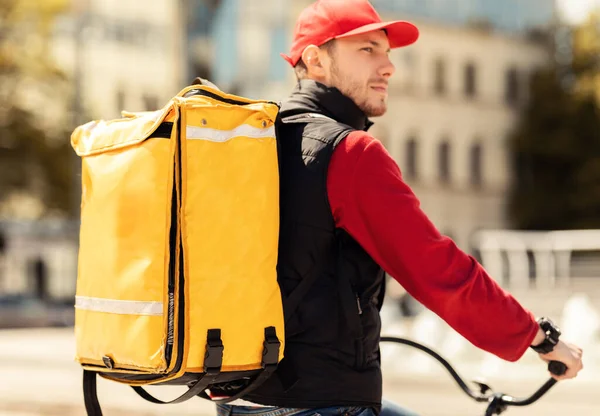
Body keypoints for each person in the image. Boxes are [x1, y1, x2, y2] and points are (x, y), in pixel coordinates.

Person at [216, 1, 584, 415]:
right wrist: (538, 337)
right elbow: (437, 270)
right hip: (322, 402)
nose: (388, 67)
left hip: (241, 399)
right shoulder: (350, 153)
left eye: (387, 53)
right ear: (315, 60)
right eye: (367, 50)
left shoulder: (255, 142)